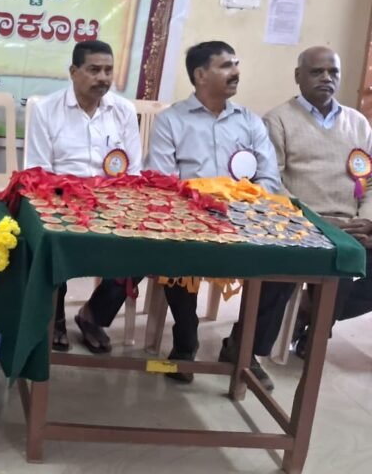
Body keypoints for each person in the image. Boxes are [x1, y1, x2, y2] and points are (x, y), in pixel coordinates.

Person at [83, 41, 284, 389]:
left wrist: (243, 206)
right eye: (226, 65)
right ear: (201, 75)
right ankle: (185, 342)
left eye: (236, 64)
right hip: (189, 217)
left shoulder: (250, 121)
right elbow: (162, 181)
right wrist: (202, 210)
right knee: (173, 247)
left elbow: (268, 178)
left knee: (285, 264)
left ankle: (244, 347)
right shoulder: (172, 121)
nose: (236, 72)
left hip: (242, 218)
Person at [23, 40, 142, 354]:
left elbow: (133, 171)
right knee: (51, 237)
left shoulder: (124, 111)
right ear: (74, 72)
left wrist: (114, 205)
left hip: (113, 203)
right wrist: (71, 202)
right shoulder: (47, 110)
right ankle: (56, 314)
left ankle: (93, 315)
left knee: (146, 245)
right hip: (61, 200)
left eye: (108, 70)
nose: (103, 77)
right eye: (94, 70)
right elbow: (38, 171)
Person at [262, 46, 372, 355]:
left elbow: (370, 180)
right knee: (282, 272)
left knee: (354, 265)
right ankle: (250, 346)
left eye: (333, 72)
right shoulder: (277, 120)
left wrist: (367, 218)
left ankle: (312, 319)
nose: (326, 78)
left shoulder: (358, 123)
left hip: (352, 225)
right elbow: (271, 182)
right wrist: (315, 221)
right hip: (300, 223)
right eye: (317, 72)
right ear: (298, 76)